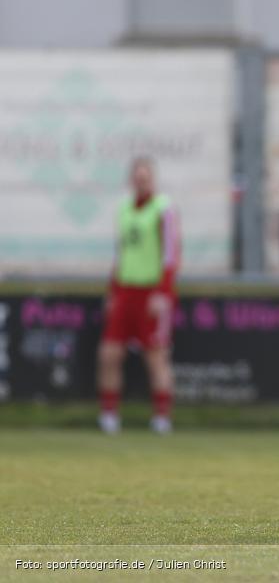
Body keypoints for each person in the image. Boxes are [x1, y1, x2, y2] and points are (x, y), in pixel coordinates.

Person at [97, 156, 180, 434]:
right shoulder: (123, 210)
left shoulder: (163, 208)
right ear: (131, 179)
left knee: (156, 355)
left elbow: (171, 253)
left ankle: (161, 417)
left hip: (152, 292)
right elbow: (119, 253)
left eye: (146, 177)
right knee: (110, 353)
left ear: (152, 179)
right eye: (137, 177)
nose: (141, 181)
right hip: (126, 291)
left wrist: (162, 292)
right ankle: (109, 415)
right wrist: (113, 291)